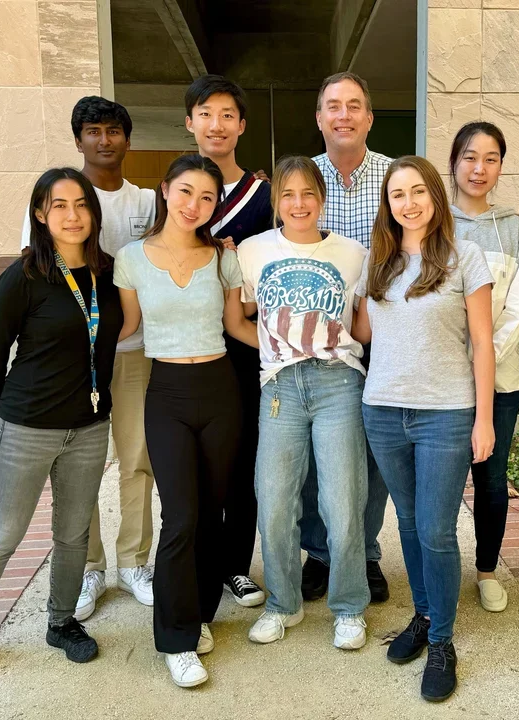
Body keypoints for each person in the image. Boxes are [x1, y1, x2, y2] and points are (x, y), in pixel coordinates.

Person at [0, 168, 123, 684]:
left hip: (89, 426)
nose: (73, 216)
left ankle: (61, 621)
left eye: (82, 205)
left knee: (74, 534)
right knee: (4, 533)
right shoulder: (22, 277)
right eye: (59, 206)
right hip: (25, 426)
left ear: (93, 213)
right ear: (41, 215)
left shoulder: (107, 273)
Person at [353, 156, 496, 702]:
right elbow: (365, 330)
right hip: (383, 409)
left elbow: (482, 342)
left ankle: (441, 641)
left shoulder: (466, 258)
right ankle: (423, 612)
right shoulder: (379, 260)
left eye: (417, 192)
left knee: (436, 530)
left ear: (435, 196)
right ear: (387, 206)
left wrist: (483, 419)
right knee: (408, 524)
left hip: (445, 413)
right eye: (397, 195)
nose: (408, 203)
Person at [114, 154, 258, 688]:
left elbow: (236, 325)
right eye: (186, 192)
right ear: (165, 190)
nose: (194, 204)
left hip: (221, 391)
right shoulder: (131, 258)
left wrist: (294, 345)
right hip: (167, 393)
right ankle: (175, 640)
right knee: (180, 516)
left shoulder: (223, 257)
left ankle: (199, 616)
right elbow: (127, 326)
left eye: (207, 197)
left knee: (213, 511)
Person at [21, 97, 158, 621]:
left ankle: (134, 562)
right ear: (78, 140)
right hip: (72, 363)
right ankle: (90, 568)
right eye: (93, 131)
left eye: (114, 130)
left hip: (132, 353)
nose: (105, 140)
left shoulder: (145, 203)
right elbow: (33, 275)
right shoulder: (58, 198)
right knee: (76, 471)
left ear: (127, 138)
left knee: (137, 460)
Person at [237, 155, 371, 650]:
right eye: (288, 194)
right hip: (279, 387)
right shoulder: (251, 252)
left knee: (341, 501)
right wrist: (280, 348)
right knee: (273, 501)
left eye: (308, 193)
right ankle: (282, 604)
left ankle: (349, 606)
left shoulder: (353, 254)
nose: (299, 203)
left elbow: (361, 324)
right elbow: (244, 315)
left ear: (323, 199)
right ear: (276, 202)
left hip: (339, 382)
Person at [302, 72, 394, 604]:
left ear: (369, 117)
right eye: (332, 106)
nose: (343, 115)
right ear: (319, 118)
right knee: (321, 450)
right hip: (315, 340)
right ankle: (319, 552)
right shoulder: (299, 179)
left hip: (382, 334)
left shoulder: (393, 175)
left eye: (354, 105)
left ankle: (363, 552)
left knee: (373, 450)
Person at [185, 74, 272, 606]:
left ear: (241, 125)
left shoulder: (263, 197)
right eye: (205, 113)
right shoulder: (175, 192)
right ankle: (198, 561)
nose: (215, 125)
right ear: (190, 122)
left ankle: (236, 565)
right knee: (195, 463)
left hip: (243, 345)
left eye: (226, 115)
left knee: (243, 458)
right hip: (188, 348)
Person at [448, 121, 519, 613]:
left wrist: (481, 360)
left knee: (491, 478)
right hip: (440, 381)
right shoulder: (435, 223)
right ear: (454, 162)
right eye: (470, 157)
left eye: (491, 158)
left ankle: (486, 570)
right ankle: (439, 571)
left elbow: (518, 306)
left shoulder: (515, 227)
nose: (479, 169)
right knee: (440, 479)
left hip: (500, 378)